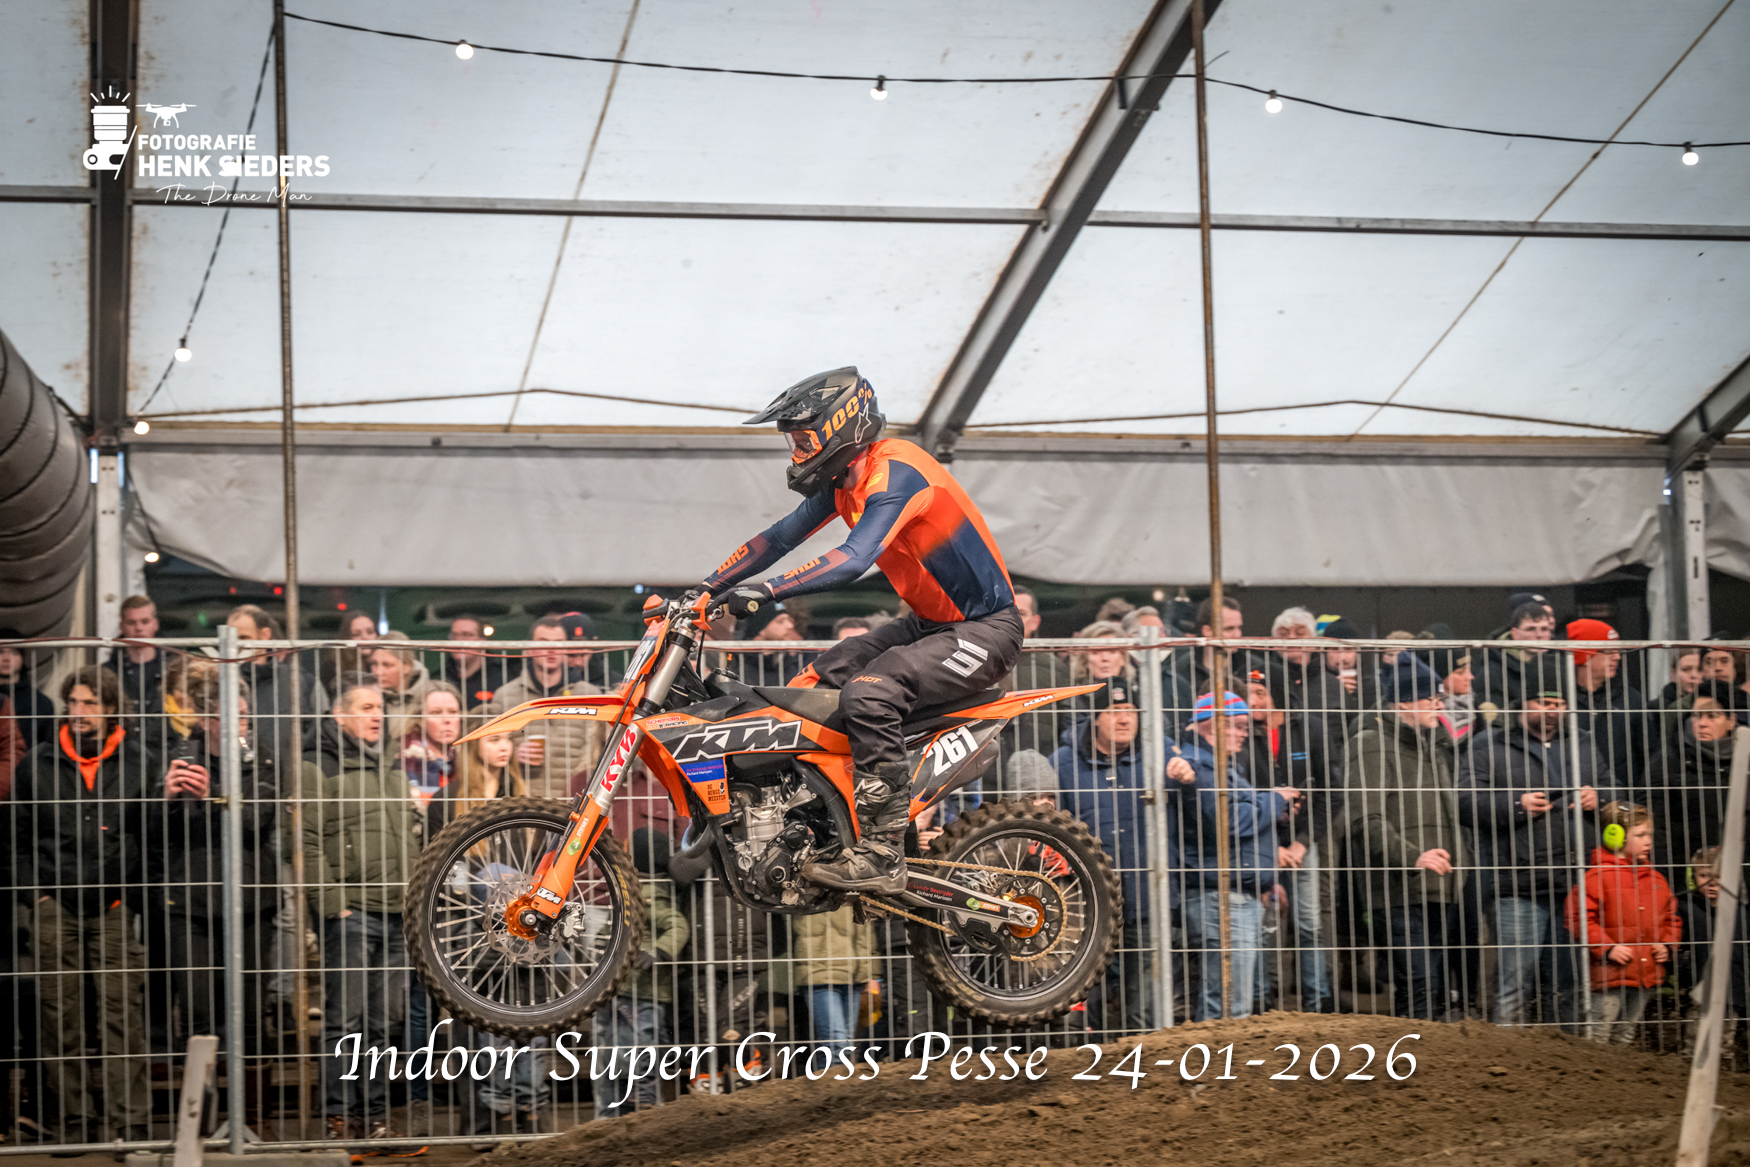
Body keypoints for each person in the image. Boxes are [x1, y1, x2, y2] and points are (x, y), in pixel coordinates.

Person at [698, 367, 1023, 895]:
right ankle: (820, 817)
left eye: (804, 440)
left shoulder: (897, 472)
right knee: (815, 680)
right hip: (930, 624)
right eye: (793, 442)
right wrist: (703, 590)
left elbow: (853, 559)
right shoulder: (843, 482)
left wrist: (767, 591)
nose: (797, 452)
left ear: (841, 427)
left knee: (870, 693)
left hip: (986, 629)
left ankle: (883, 850)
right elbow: (776, 539)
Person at [13, 666, 201, 1143]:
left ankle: (130, 1124)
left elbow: (152, 836)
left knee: (122, 1017)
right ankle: (71, 1124)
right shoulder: (37, 762)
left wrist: (136, 895)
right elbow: (16, 835)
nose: (79, 712)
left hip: (116, 904)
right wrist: (37, 895)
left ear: (111, 708)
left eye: (90, 703)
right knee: (60, 1018)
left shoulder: (140, 761)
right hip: (56, 903)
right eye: (73, 702)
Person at [302, 674, 420, 1146]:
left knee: (382, 1023)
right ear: (339, 715)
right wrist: (334, 906)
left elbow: (408, 836)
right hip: (351, 912)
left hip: (395, 912)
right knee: (345, 1021)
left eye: (380, 708)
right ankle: (338, 1117)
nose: (377, 715)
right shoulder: (316, 765)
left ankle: (373, 1117)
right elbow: (303, 842)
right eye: (366, 707)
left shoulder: (391, 767)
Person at [1456, 660, 1607, 1029]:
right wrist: (1516, 805)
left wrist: (1599, 797)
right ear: (1523, 703)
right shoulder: (1488, 745)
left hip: (1575, 883)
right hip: (1517, 883)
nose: (1552, 711)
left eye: (1559, 704)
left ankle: (1567, 1053)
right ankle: (1507, 1055)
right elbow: (1465, 801)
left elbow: (1612, 783)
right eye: (1543, 703)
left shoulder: (1582, 742)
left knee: (1569, 982)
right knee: (1514, 983)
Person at [148, 658, 279, 1071]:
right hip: (192, 900)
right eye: (231, 716)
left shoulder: (262, 758)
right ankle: (202, 1104)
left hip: (251, 900)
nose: (243, 724)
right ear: (206, 720)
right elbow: (154, 832)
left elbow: (257, 819)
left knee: (251, 1009)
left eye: (245, 714)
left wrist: (214, 794)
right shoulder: (179, 758)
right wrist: (165, 798)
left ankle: (253, 1102)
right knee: (198, 1012)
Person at [1344, 654, 1467, 1021]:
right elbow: (1364, 820)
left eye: (1440, 698)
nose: (1440, 706)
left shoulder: (1436, 747)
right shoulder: (1370, 744)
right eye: (1431, 698)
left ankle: (1424, 1053)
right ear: (1401, 702)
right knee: (1418, 987)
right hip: (1397, 890)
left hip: (1442, 887)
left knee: (1434, 990)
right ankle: (1412, 1054)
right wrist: (1413, 857)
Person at [1163, 691, 1294, 1022]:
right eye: (1238, 726)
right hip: (1221, 899)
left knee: (1227, 1003)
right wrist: (1274, 800)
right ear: (1212, 725)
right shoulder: (1201, 766)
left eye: (1245, 726)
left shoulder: (1218, 766)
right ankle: (1218, 1057)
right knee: (1228, 1007)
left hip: (1231, 894)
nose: (1244, 733)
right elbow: (1229, 821)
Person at [1235, 670, 1339, 1013]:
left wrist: (1302, 843)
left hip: (1303, 843)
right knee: (1262, 923)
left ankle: (1317, 1001)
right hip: (1258, 844)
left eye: (1260, 693)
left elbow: (1331, 792)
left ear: (1276, 696)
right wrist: (1271, 847)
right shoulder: (1240, 734)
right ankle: (1260, 1003)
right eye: (1248, 693)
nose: (1253, 701)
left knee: (1309, 922)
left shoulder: (1310, 729)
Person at [1054, 678, 1154, 1033]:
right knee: (1085, 1000)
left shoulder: (1156, 757)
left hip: (1145, 898)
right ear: (1096, 717)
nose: (1124, 719)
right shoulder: (1063, 763)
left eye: (1130, 711)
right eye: (1114, 711)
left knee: (1143, 1004)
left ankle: (1142, 1057)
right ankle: (1087, 1058)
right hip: (1087, 903)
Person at [1564, 801, 1678, 1044]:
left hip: (1646, 973)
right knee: (1598, 1036)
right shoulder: (1596, 878)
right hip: (1611, 973)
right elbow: (1578, 918)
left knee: (1625, 1035)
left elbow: (1671, 918)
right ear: (1614, 836)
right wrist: (1608, 948)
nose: (1648, 841)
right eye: (1640, 835)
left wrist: (1667, 945)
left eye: (1649, 834)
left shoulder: (1657, 879)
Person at [480, 614, 606, 803]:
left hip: (576, 802)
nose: (551, 650)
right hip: (523, 803)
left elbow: (595, 752)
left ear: (566, 648)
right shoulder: (505, 696)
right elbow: (489, 749)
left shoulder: (589, 695)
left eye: (558, 643)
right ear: (528, 647)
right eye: (543, 642)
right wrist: (513, 754)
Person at [1655, 682, 1737, 885]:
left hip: (1739, 872)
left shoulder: (1744, 760)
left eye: (1712, 716)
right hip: (1685, 877)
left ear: (1731, 721)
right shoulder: (1668, 761)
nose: (1702, 723)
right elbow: (1656, 826)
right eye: (1696, 715)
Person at [1566, 618, 1647, 789]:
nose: (1617, 657)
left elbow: (1648, 755)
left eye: (1617, 651)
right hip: (1574, 798)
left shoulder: (1632, 699)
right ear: (1584, 654)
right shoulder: (1561, 702)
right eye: (1608, 651)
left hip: (1624, 798)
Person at [793, 906, 875, 1060]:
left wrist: (872, 974)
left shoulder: (859, 897)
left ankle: (831, 1075)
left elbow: (867, 936)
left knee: (844, 1047)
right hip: (820, 975)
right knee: (838, 1045)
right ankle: (832, 1076)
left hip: (854, 977)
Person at [1476, 599, 1558, 713]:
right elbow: (1494, 720)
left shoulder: (1560, 665)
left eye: (1544, 629)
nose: (1539, 635)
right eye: (1531, 629)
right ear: (1515, 633)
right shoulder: (1492, 673)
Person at [398, 680, 462, 814]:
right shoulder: (404, 756)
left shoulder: (470, 753)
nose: (447, 720)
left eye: (453, 712)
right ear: (420, 720)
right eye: (436, 713)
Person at [368, 631, 430, 750]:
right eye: (374, 664)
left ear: (407, 666)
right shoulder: (365, 699)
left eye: (387, 665)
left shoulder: (429, 698)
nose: (377, 672)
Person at [116, 594, 173, 718]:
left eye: (145, 621)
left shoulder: (175, 670)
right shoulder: (109, 672)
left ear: (155, 624)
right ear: (121, 627)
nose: (139, 628)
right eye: (131, 622)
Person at [439, 615, 512, 711]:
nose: (458, 640)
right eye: (454, 635)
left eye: (466, 635)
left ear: (483, 641)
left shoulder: (503, 678)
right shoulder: (440, 678)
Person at [0, 633, 55, 753]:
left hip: (29, 763)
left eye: (14, 652)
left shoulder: (41, 703)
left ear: (22, 658)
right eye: (1, 651)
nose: (6, 658)